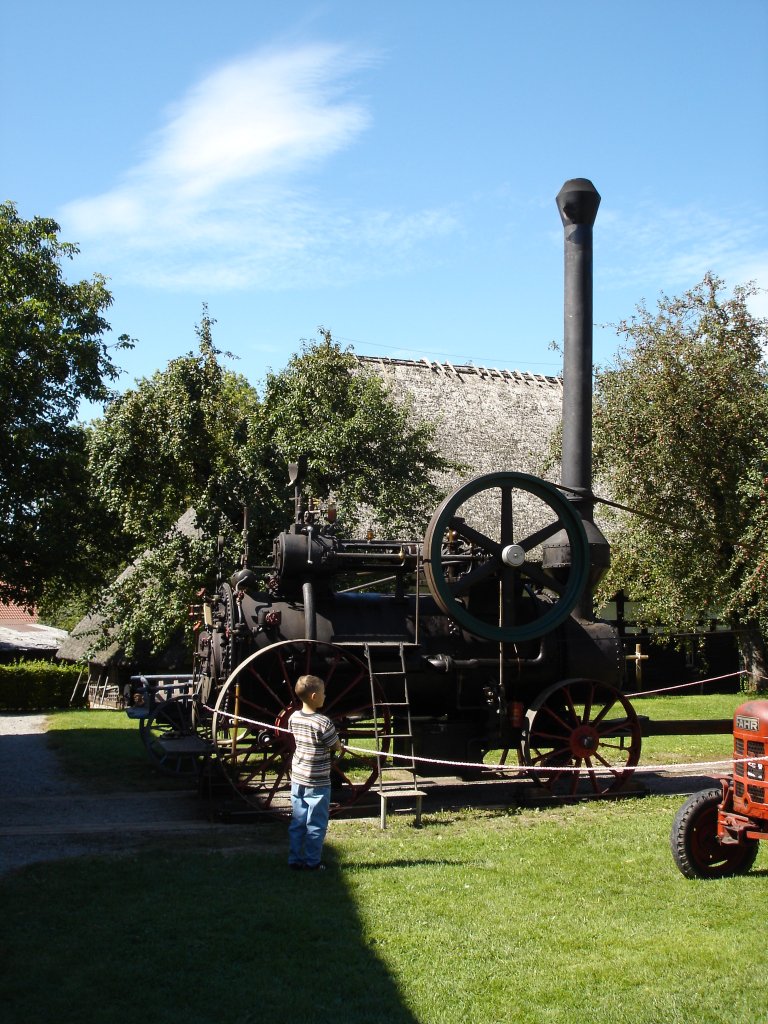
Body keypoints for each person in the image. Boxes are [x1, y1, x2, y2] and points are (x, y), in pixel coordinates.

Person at [287, 673, 343, 871]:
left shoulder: (293, 718)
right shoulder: (323, 722)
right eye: (323, 693)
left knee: (298, 820)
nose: (325, 696)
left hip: (298, 776)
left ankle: (294, 859)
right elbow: (335, 746)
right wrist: (340, 746)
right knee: (317, 823)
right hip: (318, 780)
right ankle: (312, 862)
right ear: (313, 697)